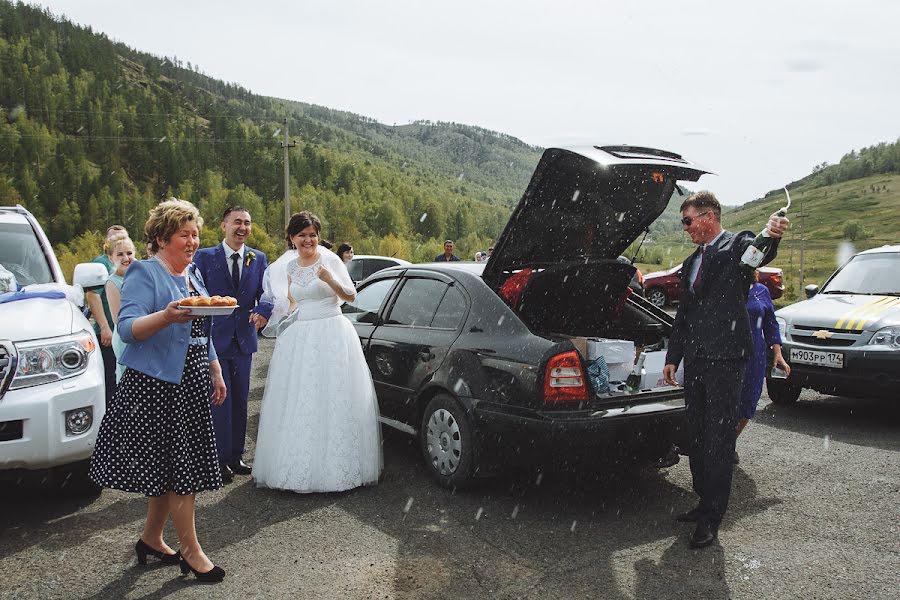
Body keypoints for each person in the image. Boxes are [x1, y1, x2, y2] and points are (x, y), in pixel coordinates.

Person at [89, 199, 228, 583]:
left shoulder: (194, 275)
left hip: (192, 383)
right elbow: (128, 329)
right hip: (156, 388)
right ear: (163, 238)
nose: (193, 241)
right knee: (180, 471)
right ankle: (192, 551)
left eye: (195, 234)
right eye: (184, 234)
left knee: (171, 470)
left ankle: (151, 539)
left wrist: (215, 370)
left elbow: (203, 329)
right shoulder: (143, 273)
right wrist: (167, 315)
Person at [662, 191, 789, 549]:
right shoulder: (690, 263)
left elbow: (758, 253)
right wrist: (674, 356)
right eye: (683, 222)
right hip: (698, 362)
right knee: (697, 436)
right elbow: (683, 315)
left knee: (719, 439)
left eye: (688, 221)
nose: (685, 229)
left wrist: (772, 234)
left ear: (709, 216)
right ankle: (703, 500)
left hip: (727, 361)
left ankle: (712, 517)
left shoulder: (737, 246)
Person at [252, 211, 382, 492]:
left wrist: (329, 279)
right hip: (302, 335)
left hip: (332, 331)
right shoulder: (289, 268)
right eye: (302, 235)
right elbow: (292, 301)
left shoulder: (330, 260)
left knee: (333, 397)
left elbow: (351, 295)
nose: (308, 240)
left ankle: (335, 467)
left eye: (313, 235)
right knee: (301, 399)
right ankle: (299, 465)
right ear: (292, 238)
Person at [193, 206, 273, 483]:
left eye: (247, 223)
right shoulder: (204, 257)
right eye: (237, 222)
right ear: (223, 225)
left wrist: (263, 310)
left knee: (240, 401)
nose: (242, 227)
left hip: (244, 341)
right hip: (214, 341)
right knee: (218, 400)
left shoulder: (258, 258)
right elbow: (193, 292)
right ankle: (217, 459)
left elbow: (267, 293)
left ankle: (237, 455)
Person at [736, 271, 791, 462]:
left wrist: (777, 353)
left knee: (749, 401)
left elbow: (771, 323)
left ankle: (729, 442)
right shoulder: (726, 289)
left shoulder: (761, 291)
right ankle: (719, 445)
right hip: (729, 354)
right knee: (726, 402)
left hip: (755, 355)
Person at [86, 225, 129, 404]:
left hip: (130, 335)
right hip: (110, 332)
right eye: (114, 239)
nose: (119, 243)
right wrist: (104, 327)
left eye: (123, 238)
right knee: (112, 380)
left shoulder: (132, 264)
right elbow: (92, 295)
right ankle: (113, 422)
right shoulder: (100, 263)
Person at [104, 236, 136, 382]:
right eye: (120, 254)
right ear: (111, 258)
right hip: (126, 338)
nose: (126, 258)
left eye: (129, 253)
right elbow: (118, 318)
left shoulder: (140, 276)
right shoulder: (112, 283)